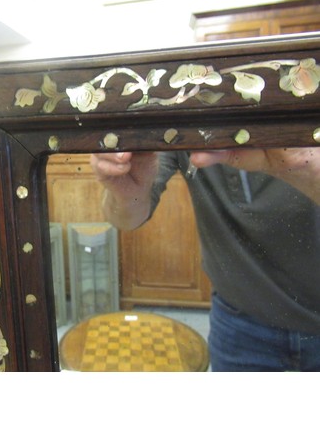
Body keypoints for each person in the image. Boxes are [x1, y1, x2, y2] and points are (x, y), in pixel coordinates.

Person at [90, 147, 320, 371]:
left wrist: (311, 172)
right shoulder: (180, 115)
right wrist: (124, 194)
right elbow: (128, 218)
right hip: (239, 320)